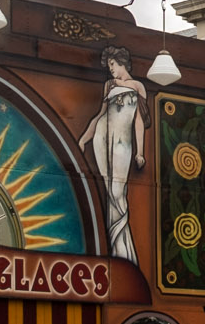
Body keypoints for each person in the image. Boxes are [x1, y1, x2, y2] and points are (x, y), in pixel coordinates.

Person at [77, 45, 147, 265]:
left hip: (123, 141)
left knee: (118, 190)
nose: (111, 70)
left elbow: (139, 121)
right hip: (102, 137)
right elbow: (100, 116)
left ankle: (122, 249)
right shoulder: (109, 85)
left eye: (113, 65)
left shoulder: (138, 86)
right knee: (110, 189)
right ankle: (115, 248)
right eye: (109, 67)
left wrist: (140, 152)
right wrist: (83, 140)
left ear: (121, 62)